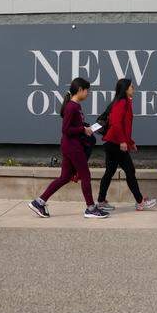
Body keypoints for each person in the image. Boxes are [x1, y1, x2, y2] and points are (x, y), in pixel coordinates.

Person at [28, 77, 109, 219]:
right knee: (86, 176)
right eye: (87, 91)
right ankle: (90, 208)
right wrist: (83, 130)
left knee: (65, 177)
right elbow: (66, 129)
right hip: (73, 147)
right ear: (80, 90)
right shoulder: (72, 107)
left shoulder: (75, 106)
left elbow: (73, 127)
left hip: (70, 146)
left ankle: (39, 202)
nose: (88, 94)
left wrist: (85, 128)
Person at [95, 78, 157, 212]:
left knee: (110, 172)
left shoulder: (124, 102)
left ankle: (101, 201)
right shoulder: (122, 102)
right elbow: (116, 124)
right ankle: (140, 201)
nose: (133, 88)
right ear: (125, 89)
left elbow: (125, 126)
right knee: (130, 171)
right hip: (116, 143)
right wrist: (123, 141)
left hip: (113, 142)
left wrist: (130, 142)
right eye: (131, 86)